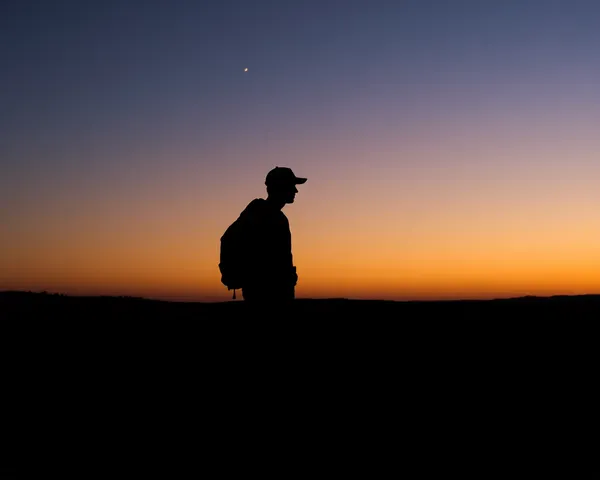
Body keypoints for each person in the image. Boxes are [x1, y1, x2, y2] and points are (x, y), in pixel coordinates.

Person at [235, 166, 307, 306]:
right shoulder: (270, 216)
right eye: (291, 185)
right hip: (269, 294)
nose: (295, 190)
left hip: (262, 290)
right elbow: (269, 258)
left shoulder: (262, 213)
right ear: (281, 186)